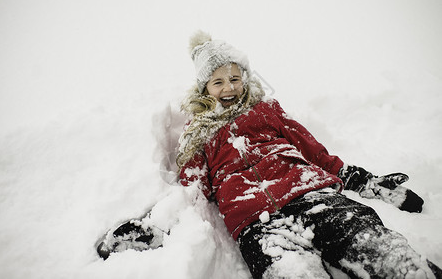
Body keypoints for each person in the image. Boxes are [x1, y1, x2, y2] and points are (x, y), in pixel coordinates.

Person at [97, 31, 442, 279]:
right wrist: (157, 225)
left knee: (389, 257)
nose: (229, 87)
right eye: (218, 82)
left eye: (235, 78)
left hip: (313, 197)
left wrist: (362, 179)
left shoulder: (266, 110)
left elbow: (313, 150)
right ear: (204, 89)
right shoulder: (198, 134)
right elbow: (193, 191)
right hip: (257, 227)